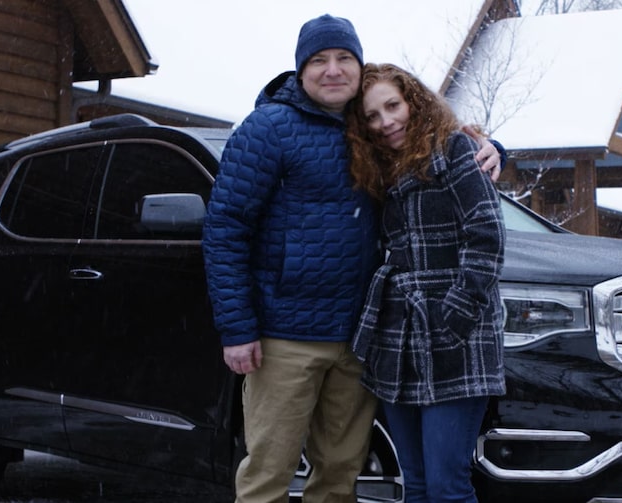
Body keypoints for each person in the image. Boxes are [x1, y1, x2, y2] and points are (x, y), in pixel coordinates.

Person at [203, 15, 502, 503]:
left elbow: (437, 162)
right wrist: (237, 328)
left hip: (363, 339)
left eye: (344, 58)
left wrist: (490, 149)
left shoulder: (371, 130)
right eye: (318, 60)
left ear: (360, 67)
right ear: (300, 70)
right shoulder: (268, 129)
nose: (332, 69)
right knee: (268, 473)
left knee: (340, 474)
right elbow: (226, 228)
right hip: (285, 335)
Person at [345, 63, 507, 503]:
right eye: (372, 116)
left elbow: (487, 234)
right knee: (414, 484)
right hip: (397, 340)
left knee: (447, 486)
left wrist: (456, 313)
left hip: (456, 337)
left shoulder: (455, 149)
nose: (385, 122)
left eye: (392, 106)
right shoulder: (377, 167)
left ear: (413, 100)